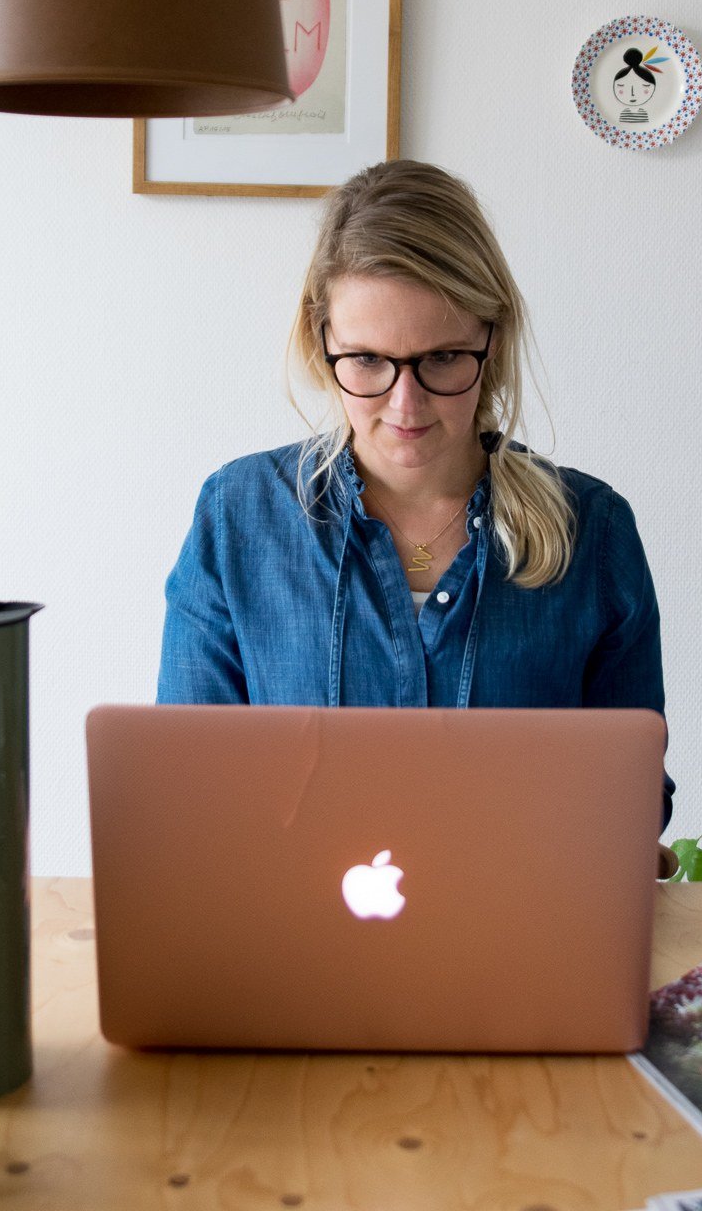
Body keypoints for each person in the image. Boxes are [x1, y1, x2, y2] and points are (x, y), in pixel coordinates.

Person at [157, 159, 674, 834]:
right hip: (284, 931)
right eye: (368, 360)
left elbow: (635, 795)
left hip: (514, 930)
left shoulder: (592, 531)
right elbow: (185, 785)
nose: (406, 405)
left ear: (492, 342)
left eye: (442, 358)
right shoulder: (238, 517)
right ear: (322, 344)